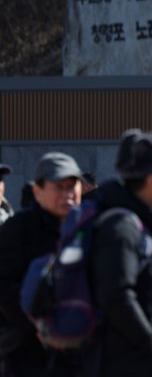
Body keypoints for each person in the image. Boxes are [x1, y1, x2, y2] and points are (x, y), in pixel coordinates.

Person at [83, 129, 152, 377]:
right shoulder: (121, 226)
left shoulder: (145, 223)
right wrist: (150, 343)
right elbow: (116, 296)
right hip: (124, 365)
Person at [0, 153, 83, 377]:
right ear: (38, 191)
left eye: (71, 186)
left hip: (81, 349)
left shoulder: (89, 227)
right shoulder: (19, 229)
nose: (67, 195)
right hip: (29, 349)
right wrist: (44, 327)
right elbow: (5, 288)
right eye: (59, 187)